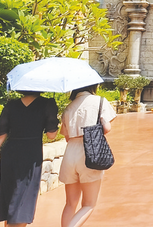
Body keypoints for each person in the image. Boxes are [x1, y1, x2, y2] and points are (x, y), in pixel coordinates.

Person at [0, 92, 59, 227]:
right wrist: (54, 120)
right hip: (30, 157)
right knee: (22, 204)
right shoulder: (47, 104)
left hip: (10, 155)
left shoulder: (11, 105)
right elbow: (51, 135)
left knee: (12, 202)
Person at [59, 85, 116, 227]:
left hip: (70, 151)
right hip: (90, 151)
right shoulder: (100, 101)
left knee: (70, 203)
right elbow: (107, 128)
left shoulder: (69, 107)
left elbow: (65, 135)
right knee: (88, 204)